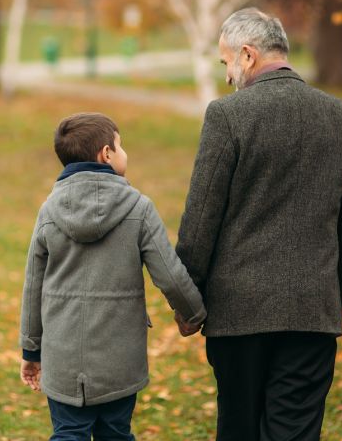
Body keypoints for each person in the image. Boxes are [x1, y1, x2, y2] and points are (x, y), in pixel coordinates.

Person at [174, 8, 342, 441]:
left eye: (226, 63)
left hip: (237, 313)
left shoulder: (228, 116)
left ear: (247, 55)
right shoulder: (341, 115)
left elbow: (201, 218)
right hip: (311, 311)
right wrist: (337, 294)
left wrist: (188, 298)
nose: (226, 76)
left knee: (239, 429)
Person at [19, 112, 206, 441]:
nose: (124, 153)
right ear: (106, 153)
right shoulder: (138, 208)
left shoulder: (49, 210)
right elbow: (170, 273)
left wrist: (31, 351)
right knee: (115, 433)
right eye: (121, 146)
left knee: (68, 432)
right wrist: (192, 313)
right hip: (119, 359)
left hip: (63, 357)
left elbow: (33, 284)